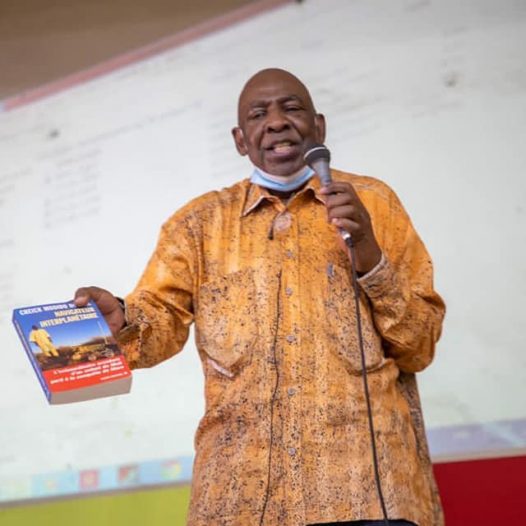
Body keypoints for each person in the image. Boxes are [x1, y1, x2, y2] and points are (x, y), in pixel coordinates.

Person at [75, 68, 445, 526]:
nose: (275, 122)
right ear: (240, 139)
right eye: (258, 114)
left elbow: (420, 343)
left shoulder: (375, 202)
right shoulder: (198, 224)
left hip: (364, 492)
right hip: (237, 499)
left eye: (291, 108)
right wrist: (123, 318)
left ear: (320, 127)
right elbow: (159, 323)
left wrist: (368, 252)